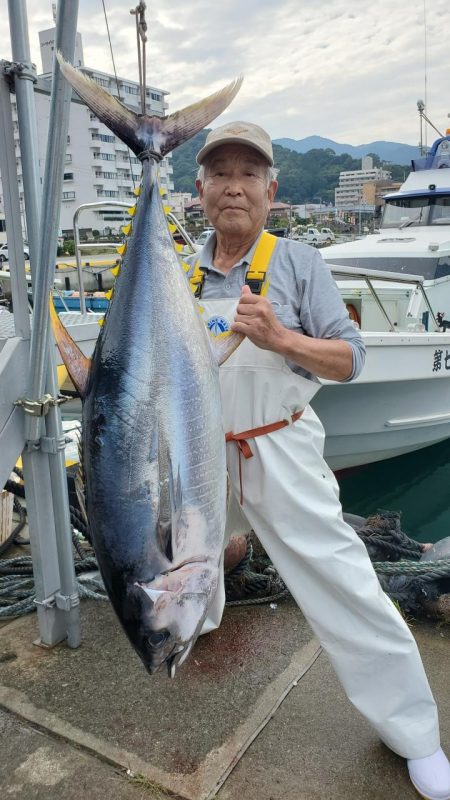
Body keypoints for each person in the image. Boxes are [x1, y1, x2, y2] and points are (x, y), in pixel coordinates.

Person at [183, 120, 450, 800]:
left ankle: (414, 733)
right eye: (220, 173)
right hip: (194, 445)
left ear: (271, 190)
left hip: (277, 441)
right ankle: (197, 623)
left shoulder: (298, 262)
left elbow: (350, 358)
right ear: (200, 188)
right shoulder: (176, 267)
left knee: (342, 582)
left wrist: (281, 335)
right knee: (187, 552)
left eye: (248, 174)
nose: (233, 186)